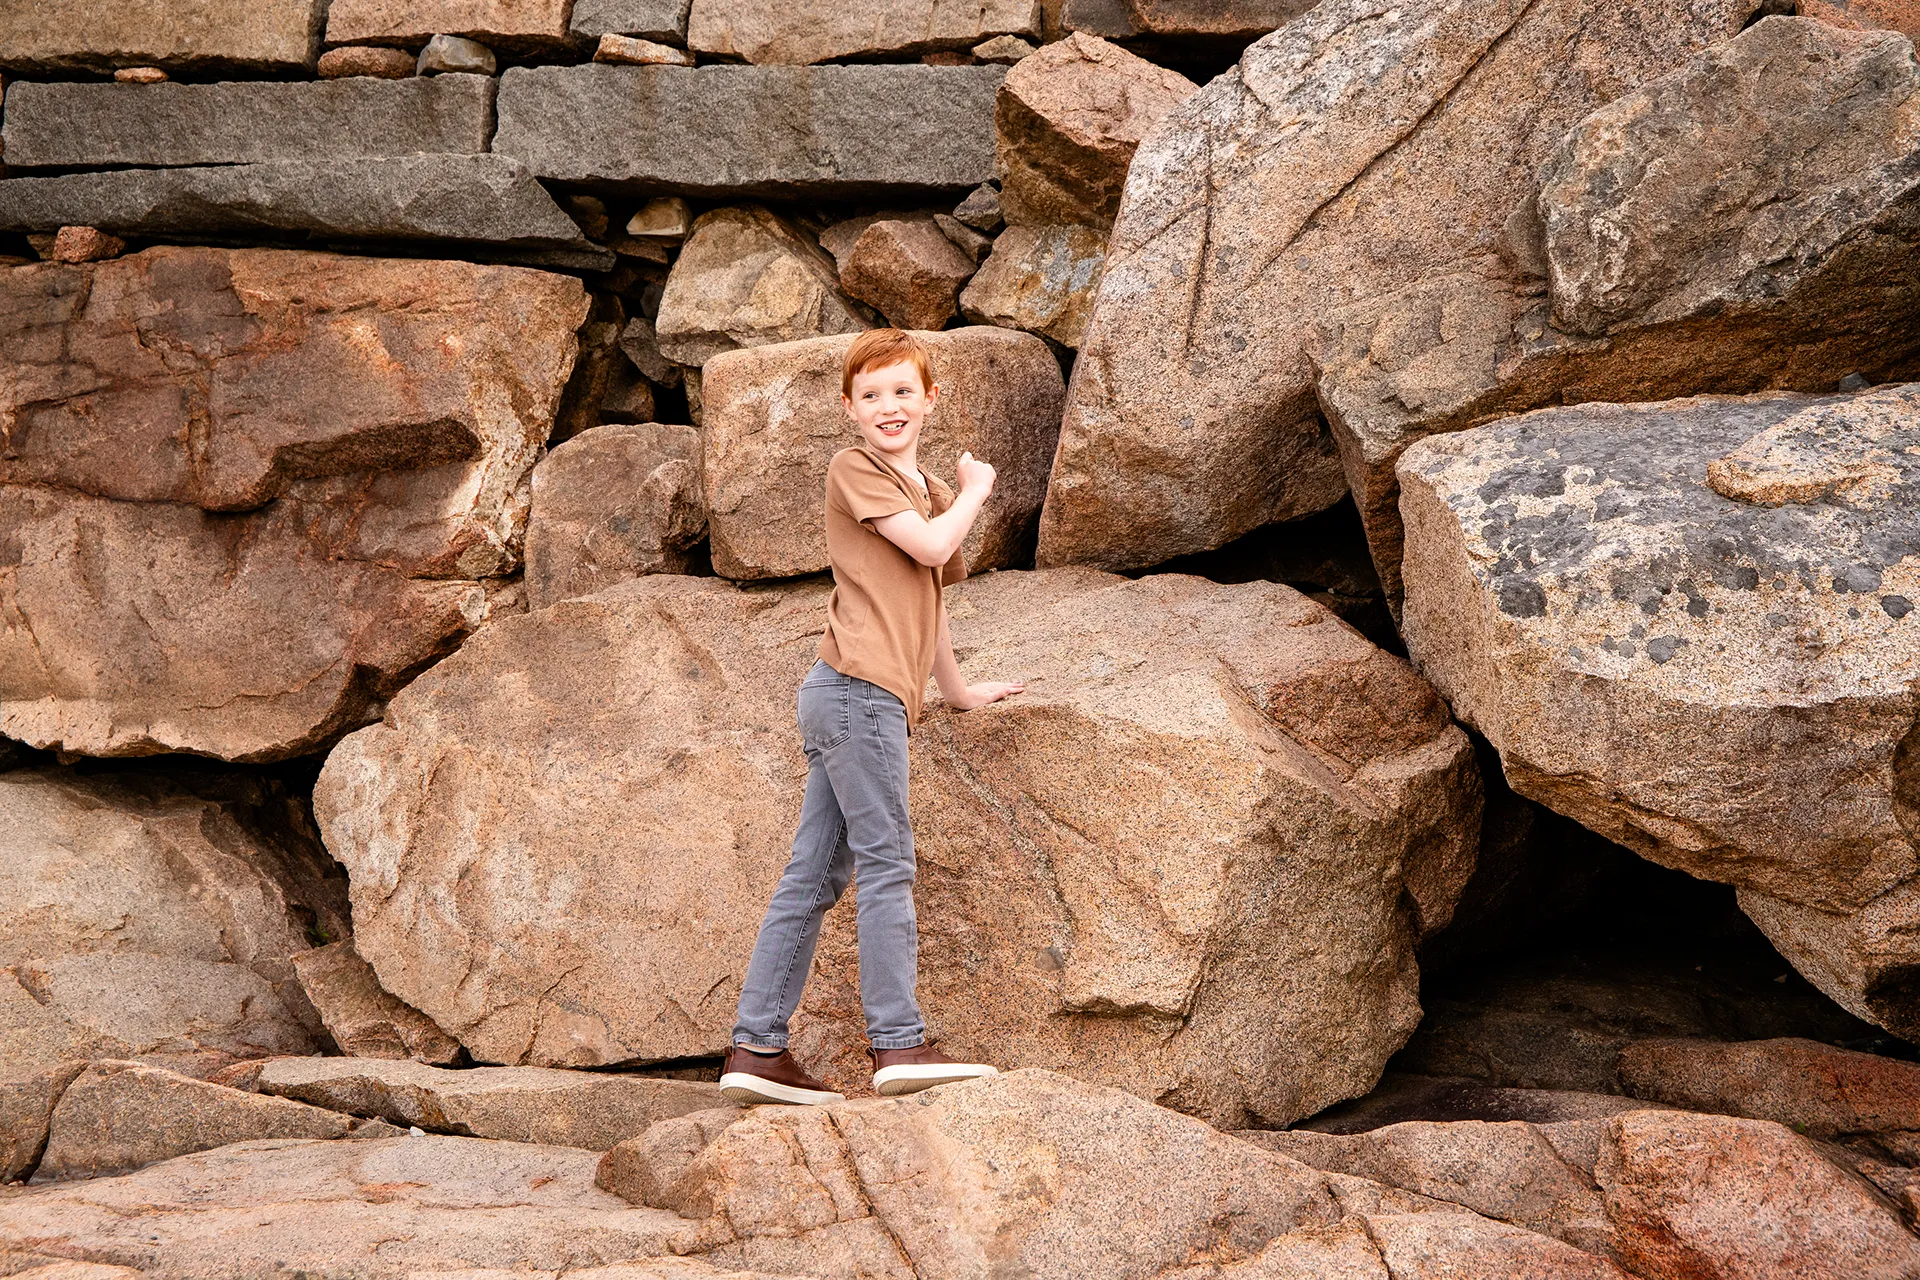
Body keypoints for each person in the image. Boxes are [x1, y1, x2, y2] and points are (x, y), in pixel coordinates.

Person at [719, 328, 1025, 1106]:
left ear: (930, 400)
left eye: (902, 392)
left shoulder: (919, 484)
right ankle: (898, 1042)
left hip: (854, 695)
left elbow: (930, 601)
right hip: (856, 694)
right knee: (887, 861)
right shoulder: (856, 469)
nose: (889, 407)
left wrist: (956, 692)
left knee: (814, 875)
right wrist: (978, 493)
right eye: (871, 395)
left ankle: (757, 1049)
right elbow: (927, 551)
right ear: (848, 410)